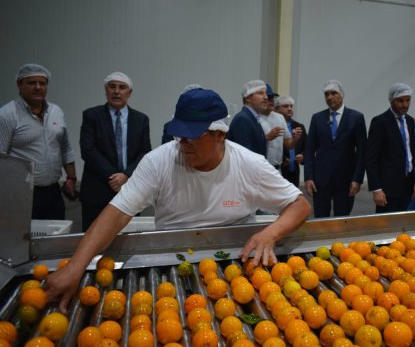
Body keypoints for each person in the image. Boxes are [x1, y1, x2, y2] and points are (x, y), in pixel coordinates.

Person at [46, 86, 311, 313]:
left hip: (237, 263)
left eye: (193, 136)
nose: (184, 143)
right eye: (179, 134)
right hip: (170, 262)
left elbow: (300, 205)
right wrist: (76, 266)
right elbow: (116, 213)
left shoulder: (249, 164)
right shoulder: (159, 161)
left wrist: (270, 234)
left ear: (220, 135)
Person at [0, 63, 77, 220]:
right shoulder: (7, 114)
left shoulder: (56, 111)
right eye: (31, 83)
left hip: (53, 192)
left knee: (54, 238)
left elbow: (65, 147)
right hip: (21, 194)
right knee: (24, 240)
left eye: (42, 83)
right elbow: (1, 156)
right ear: (19, 84)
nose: (38, 87)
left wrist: (71, 178)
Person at [79, 72, 151, 231]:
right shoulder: (91, 116)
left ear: (129, 93)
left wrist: (125, 175)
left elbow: (145, 152)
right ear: (106, 90)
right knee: (93, 241)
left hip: (130, 189)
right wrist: (113, 176)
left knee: (128, 242)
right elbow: (88, 150)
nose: (116, 91)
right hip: (97, 190)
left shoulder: (141, 119)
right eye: (112, 87)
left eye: (122, 87)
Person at [304, 79, 367, 217]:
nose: (329, 97)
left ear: (342, 95)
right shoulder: (317, 118)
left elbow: (362, 152)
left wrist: (357, 179)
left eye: (333, 93)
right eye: (326, 94)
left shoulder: (356, 118)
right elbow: (309, 150)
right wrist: (308, 177)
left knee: (342, 219)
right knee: (320, 218)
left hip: (346, 179)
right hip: (321, 179)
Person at [366, 83, 415, 213]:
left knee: (403, 224)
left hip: (407, 184)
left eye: (407, 100)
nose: (405, 105)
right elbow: (371, 158)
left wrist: (413, 182)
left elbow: (410, 153)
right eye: (400, 101)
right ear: (391, 101)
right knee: (386, 226)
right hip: (387, 188)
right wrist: (376, 189)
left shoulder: (410, 121)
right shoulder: (380, 122)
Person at [227, 80, 268, 157]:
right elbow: (245, 157)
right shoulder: (242, 119)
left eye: (265, 93)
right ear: (248, 98)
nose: (266, 97)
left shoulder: (252, 118)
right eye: (260, 93)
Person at [259, 84, 292, 171]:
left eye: (272, 98)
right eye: (268, 98)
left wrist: (295, 138)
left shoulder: (279, 117)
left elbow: (288, 144)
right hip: (261, 169)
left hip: (277, 169)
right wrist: (267, 137)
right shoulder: (255, 118)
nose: (271, 101)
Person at [275, 95, 306, 187]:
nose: (289, 109)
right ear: (277, 109)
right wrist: (283, 158)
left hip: (294, 172)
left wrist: (303, 155)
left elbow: (307, 147)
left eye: (291, 106)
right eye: (285, 106)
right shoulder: (274, 126)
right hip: (279, 170)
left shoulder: (299, 127)